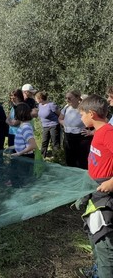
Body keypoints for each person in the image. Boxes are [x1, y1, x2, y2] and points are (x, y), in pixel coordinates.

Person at [77, 94, 113, 278]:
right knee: (94, 235)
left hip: (105, 196)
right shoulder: (99, 132)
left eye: (82, 114)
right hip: (95, 191)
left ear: (92, 114)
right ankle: (99, 270)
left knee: (103, 241)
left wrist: (111, 182)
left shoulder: (108, 132)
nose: (80, 117)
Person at [58, 90, 92, 169]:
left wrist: (91, 132)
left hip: (81, 138)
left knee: (82, 161)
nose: (67, 100)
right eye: (66, 98)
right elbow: (60, 118)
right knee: (69, 159)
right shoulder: (66, 107)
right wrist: (66, 124)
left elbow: (95, 121)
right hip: (68, 137)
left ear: (77, 98)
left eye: (69, 98)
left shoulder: (84, 109)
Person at [35, 91, 61, 158]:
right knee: (44, 141)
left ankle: (57, 157)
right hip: (45, 126)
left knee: (55, 142)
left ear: (40, 98)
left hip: (54, 125)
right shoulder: (40, 105)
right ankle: (42, 156)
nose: (35, 100)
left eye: (36, 98)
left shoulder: (51, 105)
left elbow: (60, 114)